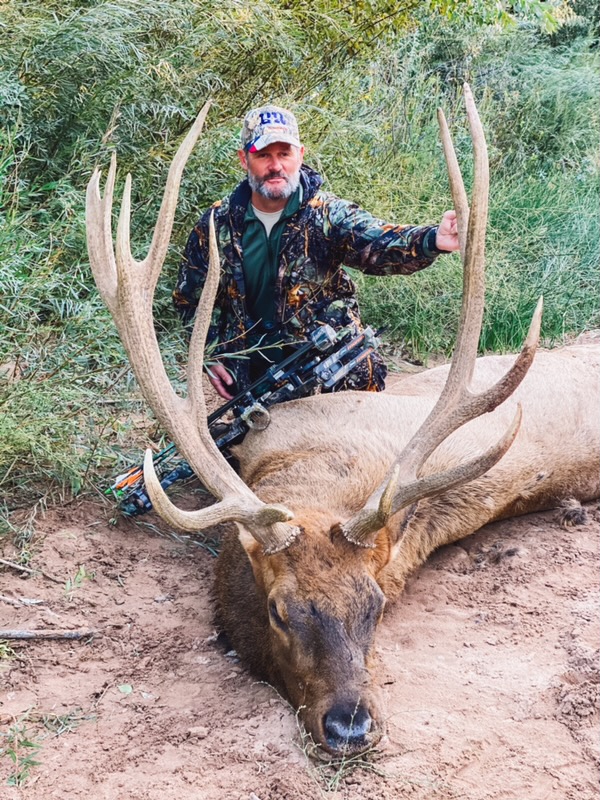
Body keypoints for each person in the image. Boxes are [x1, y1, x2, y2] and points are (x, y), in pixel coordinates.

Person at [173, 104, 459, 401]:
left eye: (284, 154)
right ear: (244, 159)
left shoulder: (327, 215)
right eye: (263, 155)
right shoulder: (216, 224)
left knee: (361, 389)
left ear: (300, 155)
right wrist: (211, 352)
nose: (276, 166)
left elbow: (378, 242)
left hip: (329, 363)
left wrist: (432, 239)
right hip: (258, 371)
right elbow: (189, 299)